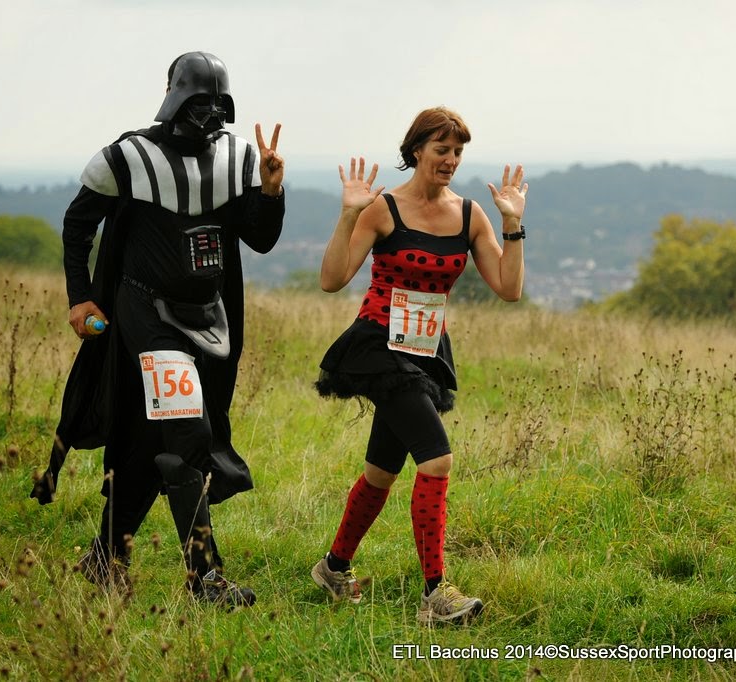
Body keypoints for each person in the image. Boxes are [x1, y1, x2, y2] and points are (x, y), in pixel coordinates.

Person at [30, 51, 285, 609]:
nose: (209, 114)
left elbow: (261, 239)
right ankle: (205, 577)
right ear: (175, 98)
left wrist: (269, 191)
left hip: (210, 316)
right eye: (199, 102)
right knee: (188, 431)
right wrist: (80, 296)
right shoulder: (126, 157)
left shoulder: (239, 159)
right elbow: (78, 224)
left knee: (154, 439)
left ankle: (104, 558)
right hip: (144, 313)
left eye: (218, 104)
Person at [310, 106, 527, 624]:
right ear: (415, 151)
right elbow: (332, 279)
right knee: (436, 460)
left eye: (458, 152)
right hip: (378, 346)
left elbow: (509, 288)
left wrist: (512, 224)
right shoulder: (383, 209)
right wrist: (348, 215)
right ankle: (436, 594)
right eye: (441, 150)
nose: (450, 160)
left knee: (381, 472)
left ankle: (334, 567)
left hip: (426, 353)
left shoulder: (470, 215)